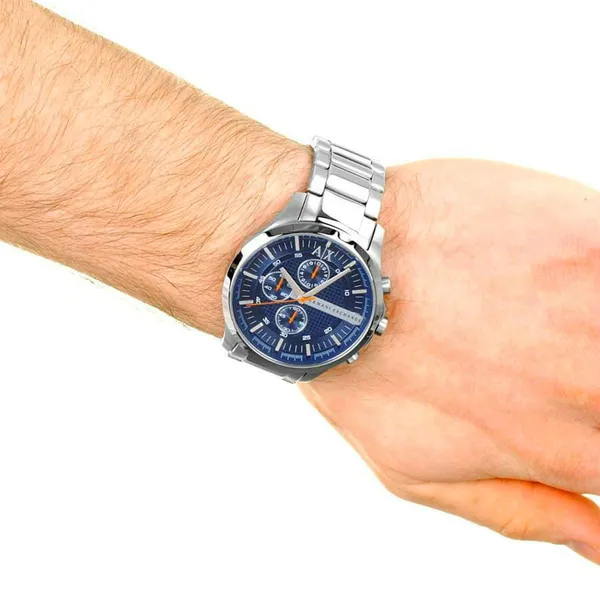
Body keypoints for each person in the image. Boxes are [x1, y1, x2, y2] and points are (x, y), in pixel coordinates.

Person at [2, 0, 600, 565]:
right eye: (299, 294)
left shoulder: (320, 318)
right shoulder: (305, 310)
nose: (302, 298)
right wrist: (406, 238)